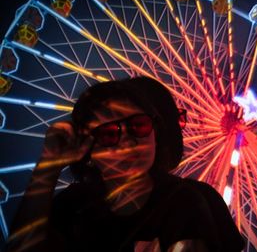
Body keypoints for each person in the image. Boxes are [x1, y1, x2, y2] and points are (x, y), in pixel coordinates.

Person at [7, 77, 244, 252]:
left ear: (156, 132)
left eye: (139, 125)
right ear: (87, 148)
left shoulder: (189, 200)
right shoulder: (72, 208)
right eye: (109, 134)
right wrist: (48, 166)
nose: (128, 141)